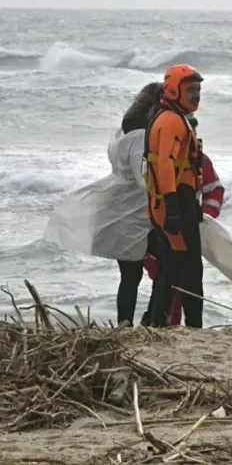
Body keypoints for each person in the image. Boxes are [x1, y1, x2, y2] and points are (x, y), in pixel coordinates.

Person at [42, 81, 162, 327]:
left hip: (119, 206)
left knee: (131, 274)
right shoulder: (141, 135)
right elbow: (143, 180)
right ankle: (148, 320)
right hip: (134, 211)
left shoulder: (123, 131)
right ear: (154, 107)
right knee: (163, 265)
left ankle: (127, 323)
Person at [142, 121, 226, 326]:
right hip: (158, 228)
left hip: (187, 225)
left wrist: (206, 217)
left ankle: (183, 326)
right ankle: (161, 323)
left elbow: (215, 189)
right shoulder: (158, 162)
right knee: (167, 275)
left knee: (184, 277)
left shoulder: (200, 162)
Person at [141, 64, 205, 328]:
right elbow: (165, 164)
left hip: (178, 199)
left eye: (198, 90)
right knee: (186, 268)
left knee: (177, 266)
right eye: (191, 90)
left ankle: (159, 322)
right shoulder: (170, 121)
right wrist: (174, 207)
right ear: (173, 89)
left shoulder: (174, 118)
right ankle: (188, 326)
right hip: (173, 201)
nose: (196, 95)